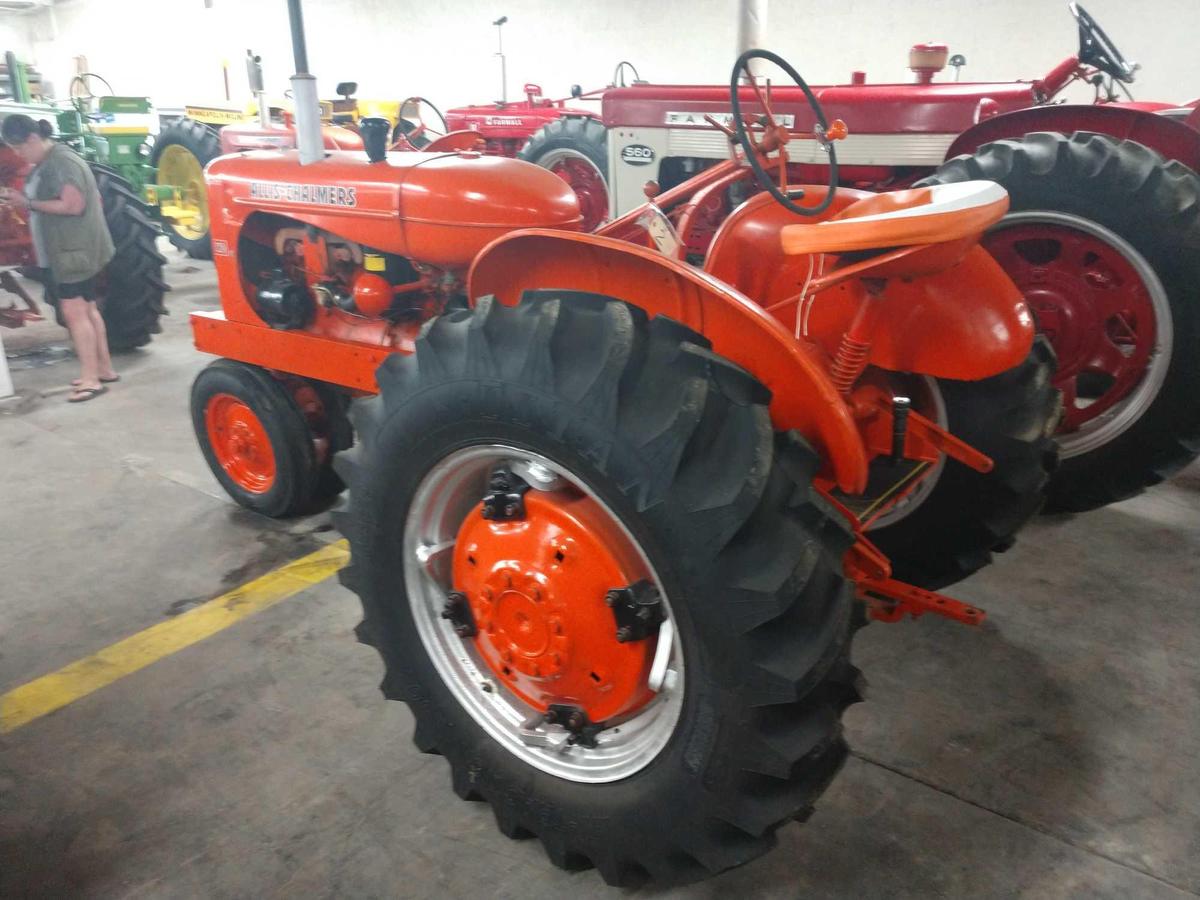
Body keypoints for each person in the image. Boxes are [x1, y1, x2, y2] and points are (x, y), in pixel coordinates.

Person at [0, 115, 116, 402]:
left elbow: (72, 206)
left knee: (75, 314)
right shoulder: (51, 160)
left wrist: (26, 203)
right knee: (88, 310)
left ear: (32, 139)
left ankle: (90, 380)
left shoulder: (62, 163)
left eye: (19, 149)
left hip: (72, 252)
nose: (17, 155)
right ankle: (103, 369)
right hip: (76, 248)